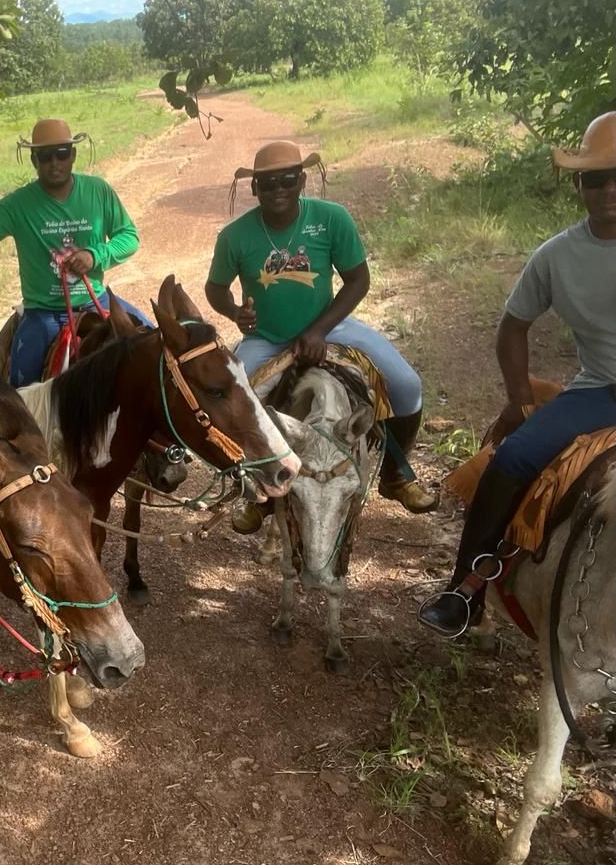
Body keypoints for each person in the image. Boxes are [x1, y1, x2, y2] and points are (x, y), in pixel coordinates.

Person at [420, 112, 616, 635]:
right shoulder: (557, 256)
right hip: (600, 391)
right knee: (512, 459)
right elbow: (513, 327)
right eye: (596, 177)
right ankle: (465, 590)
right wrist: (519, 397)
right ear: (578, 183)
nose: (609, 189)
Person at [205, 140, 437, 531]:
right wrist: (233, 311)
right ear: (254, 188)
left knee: (406, 385)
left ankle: (396, 474)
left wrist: (319, 331)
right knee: (230, 409)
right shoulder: (235, 236)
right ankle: (256, 493)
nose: (278, 188)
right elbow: (215, 289)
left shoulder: (331, 218)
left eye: (288, 179)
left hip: (332, 327)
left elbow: (358, 279)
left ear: (302, 181)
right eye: (268, 182)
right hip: (266, 338)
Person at [0, 118, 146, 387]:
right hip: (44, 313)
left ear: (73, 155)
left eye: (62, 154)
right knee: (22, 392)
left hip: (95, 300)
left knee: (153, 344)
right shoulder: (19, 204)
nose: (54, 163)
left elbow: (129, 237)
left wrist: (95, 255)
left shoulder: (98, 191)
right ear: (34, 160)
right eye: (45, 156)